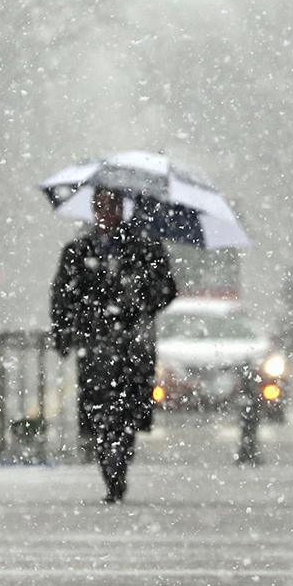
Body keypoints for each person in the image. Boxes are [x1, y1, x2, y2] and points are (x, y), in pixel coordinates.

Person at [50, 188, 177, 503]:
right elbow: (62, 297)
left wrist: (137, 298)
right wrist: (66, 333)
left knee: (126, 412)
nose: (105, 212)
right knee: (101, 413)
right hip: (95, 346)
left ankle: (119, 461)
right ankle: (112, 468)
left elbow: (167, 289)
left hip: (132, 347)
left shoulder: (145, 248)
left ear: (122, 209)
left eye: (111, 205)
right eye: (100, 205)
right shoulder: (78, 251)